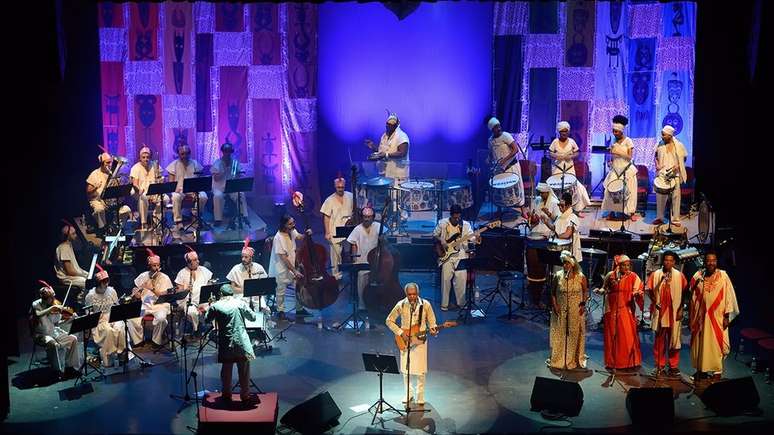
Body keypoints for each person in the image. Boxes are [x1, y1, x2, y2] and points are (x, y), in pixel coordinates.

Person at [204, 284, 259, 405]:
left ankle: (226, 394)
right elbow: (253, 317)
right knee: (244, 369)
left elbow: (207, 320)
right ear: (232, 293)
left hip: (226, 341)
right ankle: (245, 395)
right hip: (241, 341)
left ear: (221, 294)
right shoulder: (240, 303)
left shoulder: (216, 306)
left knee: (226, 369)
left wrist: (210, 305)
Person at [386, 283, 438, 406]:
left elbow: (432, 322)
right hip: (405, 340)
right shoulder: (401, 304)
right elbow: (389, 320)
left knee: (420, 371)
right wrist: (400, 332)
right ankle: (408, 393)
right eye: (410, 294)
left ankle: (420, 395)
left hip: (420, 340)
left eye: (414, 294)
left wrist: (433, 329)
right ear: (406, 294)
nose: (412, 297)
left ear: (418, 293)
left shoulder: (425, 305)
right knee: (406, 370)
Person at [689, 252, 739, 380]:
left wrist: (727, 316)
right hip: (700, 318)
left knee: (717, 344)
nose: (711, 263)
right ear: (704, 262)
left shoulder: (723, 276)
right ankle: (702, 370)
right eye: (708, 261)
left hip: (717, 317)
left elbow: (728, 296)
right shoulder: (698, 275)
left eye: (714, 260)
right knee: (702, 344)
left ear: (716, 261)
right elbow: (691, 295)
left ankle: (717, 371)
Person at [646, 251, 688, 377]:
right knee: (659, 340)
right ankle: (660, 365)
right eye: (666, 260)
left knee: (674, 340)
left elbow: (685, 292)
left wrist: (681, 309)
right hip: (661, 312)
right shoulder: (656, 274)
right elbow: (649, 290)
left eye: (671, 260)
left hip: (674, 312)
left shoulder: (679, 275)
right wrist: (655, 302)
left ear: (674, 262)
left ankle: (673, 366)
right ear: (662, 261)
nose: (668, 262)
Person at [598, 255, 644, 369]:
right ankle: (613, 362)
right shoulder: (611, 275)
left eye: (628, 265)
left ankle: (629, 362)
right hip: (612, 309)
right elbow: (605, 288)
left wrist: (637, 294)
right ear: (619, 265)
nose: (626, 268)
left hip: (626, 308)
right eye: (624, 265)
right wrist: (600, 291)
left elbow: (638, 289)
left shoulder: (633, 276)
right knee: (613, 335)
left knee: (627, 335)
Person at [30, 282, 82, 379]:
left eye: (53, 297)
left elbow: (58, 323)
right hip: (41, 335)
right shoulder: (36, 304)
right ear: (44, 298)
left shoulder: (54, 306)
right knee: (53, 344)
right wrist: (51, 308)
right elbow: (38, 314)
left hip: (53, 331)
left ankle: (70, 367)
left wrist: (70, 319)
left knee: (73, 339)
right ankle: (57, 371)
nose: (54, 300)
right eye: (51, 298)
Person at [547, 251, 588, 370]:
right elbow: (553, 292)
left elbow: (585, 291)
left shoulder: (581, 277)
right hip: (561, 309)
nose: (565, 265)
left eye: (568, 263)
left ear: (573, 264)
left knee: (574, 334)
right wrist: (555, 305)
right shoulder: (558, 275)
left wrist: (583, 304)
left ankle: (572, 359)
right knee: (560, 334)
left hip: (576, 310)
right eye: (564, 263)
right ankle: (559, 359)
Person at [267, 212, 312, 321]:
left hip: (291, 266)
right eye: (290, 224)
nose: (293, 225)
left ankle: (299, 308)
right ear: (284, 225)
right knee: (281, 291)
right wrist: (294, 270)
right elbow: (283, 257)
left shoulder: (291, 231)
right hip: (281, 268)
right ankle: (281, 311)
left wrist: (307, 234)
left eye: (293, 223)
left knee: (298, 286)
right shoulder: (278, 237)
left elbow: (300, 237)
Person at [433, 204, 477, 311]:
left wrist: (477, 238)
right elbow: (435, 234)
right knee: (445, 281)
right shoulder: (443, 223)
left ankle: (461, 304)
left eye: (458, 217)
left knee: (461, 281)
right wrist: (441, 240)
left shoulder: (465, 225)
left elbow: (472, 238)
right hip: (447, 256)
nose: (457, 219)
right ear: (451, 215)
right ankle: (444, 305)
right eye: (455, 217)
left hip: (461, 256)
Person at [127, 248, 172, 350]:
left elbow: (164, 296)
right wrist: (137, 294)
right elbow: (136, 291)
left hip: (160, 305)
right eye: (154, 265)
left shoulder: (165, 278)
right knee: (131, 318)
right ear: (149, 266)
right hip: (145, 304)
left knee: (161, 319)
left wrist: (152, 288)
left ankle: (156, 341)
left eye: (158, 265)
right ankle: (138, 341)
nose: (156, 268)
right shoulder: (143, 276)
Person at [84, 265, 128, 367]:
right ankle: (111, 355)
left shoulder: (112, 291)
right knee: (108, 331)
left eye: (107, 281)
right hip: (100, 320)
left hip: (113, 316)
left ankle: (121, 353)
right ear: (98, 283)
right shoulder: (90, 296)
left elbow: (116, 306)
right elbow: (89, 314)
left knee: (120, 328)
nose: (107, 284)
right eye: (104, 281)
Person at [548, 121, 591, 213]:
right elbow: (550, 153)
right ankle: (556, 210)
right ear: (559, 132)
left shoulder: (572, 141)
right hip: (558, 168)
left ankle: (576, 209)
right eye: (562, 131)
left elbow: (577, 152)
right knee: (557, 188)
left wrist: (571, 156)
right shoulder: (555, 142)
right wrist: (556, 156)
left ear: (568, 132)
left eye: (566, 131)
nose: (564, 133)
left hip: (569, 168)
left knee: (573, 187)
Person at [601, 115, 638, 218]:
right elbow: (612, 155)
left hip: (626, 169)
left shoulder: (628, 141)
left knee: (629, 191)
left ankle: (628, 213)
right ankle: (612, 212)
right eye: (613, 131)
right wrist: (610, 161)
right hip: (615, 169)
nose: (614, 133)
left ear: (621, 131)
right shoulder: (613, 141)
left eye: (616, 131)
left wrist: (619, 152)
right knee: (610, 190)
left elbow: (630, 157)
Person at [345, 206, 381, 311]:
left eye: (369, 216)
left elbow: (386, 242)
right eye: (365, 216)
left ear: (373, 217)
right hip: (362, 261)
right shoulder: (357, 229)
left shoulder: (379, 226)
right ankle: (362, 305)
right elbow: (353, 244)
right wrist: (355, 260)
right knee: (361, 279)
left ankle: (378, 304)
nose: (367, 219)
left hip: (376, 262)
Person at [653, 125, 688, 226]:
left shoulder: (679, 145)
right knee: (660, 197)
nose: (662, 136)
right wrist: (657, 164)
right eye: (662, 134)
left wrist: (678, 165)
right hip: (662, 174)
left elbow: (684, 158)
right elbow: (655, 156)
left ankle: (675, 219)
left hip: (674, 174)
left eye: (664, 135)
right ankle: (660, 217)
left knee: (675, 198)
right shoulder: (659, 144)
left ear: (670, 135)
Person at [487, 117, 525, 210]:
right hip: (500, 168)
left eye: (499, 126)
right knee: (500, 189)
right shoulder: (490, 140)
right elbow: (491, 154)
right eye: (496, 127)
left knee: (517, 187)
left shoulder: (506, 135)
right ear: (492, 129)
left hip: (512, 166)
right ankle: (499, 210)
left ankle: (522, 209)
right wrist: (488, 160)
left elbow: (515, 149)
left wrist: (505, 160)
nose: (499, 128)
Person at [174, 246, 213, 333]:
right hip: (188, 301)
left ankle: (215, 331)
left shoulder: (204, 270)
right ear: (188, 262)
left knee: (216, 308)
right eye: (195, 260)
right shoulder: (182, 273)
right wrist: (186, 289)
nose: (198, 261)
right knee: (191, 313)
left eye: (197, 259)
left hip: (204, 300)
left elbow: (210, 286)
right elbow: (178, 293)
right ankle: (196, 329)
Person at [166, 144, 207, 228]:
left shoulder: (195, 163)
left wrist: (195, 191)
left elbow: (200, 180)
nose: (185, 156)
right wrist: (178, 190)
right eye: (182, 154)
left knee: (203, 196)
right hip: (179, 190)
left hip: (194, 189)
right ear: (178, 154)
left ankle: (197, 216)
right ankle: (178, 221)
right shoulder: (173, 165)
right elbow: (171, 184)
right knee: (175, 197)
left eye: (187, 153)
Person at [320, 176, 353, 279]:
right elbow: (326, 217)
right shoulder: (329, 200)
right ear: (335, 187)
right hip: (335, 228)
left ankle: (353, 271)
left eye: (342, 187)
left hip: (348, 227)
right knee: (336, 254)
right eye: (338, 187)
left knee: (351, 251)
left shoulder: (350, 196)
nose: (340, 189)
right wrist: (327, 232)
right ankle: (336, 275)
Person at [211, 142, 249, 227]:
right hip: (219, 187)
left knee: (241, 194)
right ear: (223, 152)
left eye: (229, 151)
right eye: (225, 151)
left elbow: (241, 173)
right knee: (217, 196)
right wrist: (224, 170)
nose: (227, 153)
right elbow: (216, 178)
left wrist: (240, 173)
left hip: (232, 187)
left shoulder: (235, 163)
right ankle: (218, 219)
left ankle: (244, 216)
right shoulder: (217, 163)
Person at [365, 112, 410, 184]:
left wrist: (386, 155)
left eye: (392, 124)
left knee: (397, 195)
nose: (389, 126)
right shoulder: (384, 136)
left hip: (398, 176)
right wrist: (373, 147)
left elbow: (402, 153)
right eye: (388, 124)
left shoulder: (401, 136)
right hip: (385, 175)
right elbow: (382, 151)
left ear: (396, 125)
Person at [226, 238, 269, 311]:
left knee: (264, 310)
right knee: (242, 310)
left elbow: (265, 284)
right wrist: (246, 290)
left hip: (256, 296)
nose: (243, 259)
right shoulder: (236, 269)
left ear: (251, 258)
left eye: (246, 257)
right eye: (242, 257)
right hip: (241, 296)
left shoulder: (258, 267)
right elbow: (232, 289)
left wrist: (256, 290)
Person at [540, 191, 582, 263]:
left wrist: (554, 236)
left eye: (562, 205)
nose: (560, 207)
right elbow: (554, 228)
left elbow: (567, 234)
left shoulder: (572, 217)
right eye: (559, 205)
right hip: (559, 250)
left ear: (569, 205)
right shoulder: (560, 216)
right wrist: (546, 222)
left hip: (569, 252)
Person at [130, 146, 164, 230]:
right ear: (140, 158)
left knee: (165, 198)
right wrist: (140, 190)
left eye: (148, 157)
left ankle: (157, 221)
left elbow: (161, 179)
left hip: (154, 191)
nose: (146, 159)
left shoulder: (155, 165)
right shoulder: (135, 168)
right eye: (143, 157)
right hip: (140, 192)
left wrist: (160, 182)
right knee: (143, 197)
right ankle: (143, 222)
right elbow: (135, 184)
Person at [54, 223, 89, 290]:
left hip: (72, 276)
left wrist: (86, 274)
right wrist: (83, 275)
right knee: (86, 282)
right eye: (73, 234)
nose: (76, 235)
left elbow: (75, 268)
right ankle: (81, 299)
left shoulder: (68, 245)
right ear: (67, 236)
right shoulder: (64, 248)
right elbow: (70, 271)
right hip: (66, 278)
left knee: (90, 277)